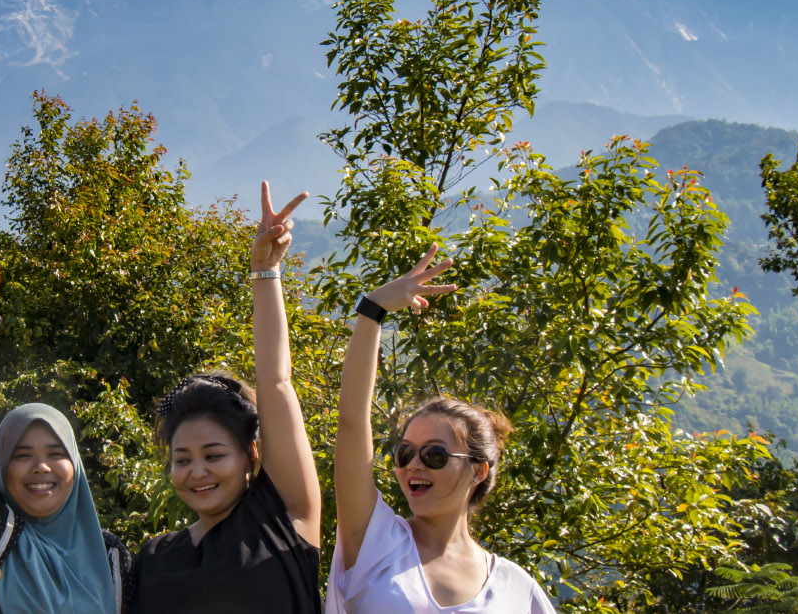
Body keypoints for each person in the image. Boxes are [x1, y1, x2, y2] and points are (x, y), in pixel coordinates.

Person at [326, 245, 556, 613]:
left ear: (479, 471)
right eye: (405, 452)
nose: (413, 464)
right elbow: (352, 422)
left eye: (434, 455)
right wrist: (373, 309)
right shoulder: (375, 542)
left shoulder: (517, 589)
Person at [131, 182, 323, 614]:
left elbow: (275, 381)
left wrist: (264, 271)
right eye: (182, 460)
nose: (196, 471)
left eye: (213, 455)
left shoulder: (285, 521)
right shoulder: (151, 560)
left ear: (251, 453)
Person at [0, 250, 130, 614]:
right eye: (22, 455)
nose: (41, 466)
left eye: (56, 453)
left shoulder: (112, 557)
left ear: (76, 467)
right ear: (3, 467)